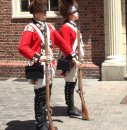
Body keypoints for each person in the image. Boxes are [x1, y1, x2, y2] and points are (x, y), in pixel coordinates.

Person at [18, 0, 81, 129]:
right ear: (36, 13)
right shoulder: (30, 28)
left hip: (50, 67)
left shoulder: (50, 27)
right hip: (38, 66)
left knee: (47, 94)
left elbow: (62, 43)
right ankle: (41, 124)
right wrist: (38, 57)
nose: (46, 13)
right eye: (43, 11)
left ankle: (45, 120)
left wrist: (72, 57)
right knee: (40, 94)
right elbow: (22, 47)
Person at [59, 0, 84, 117]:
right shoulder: (66, 27)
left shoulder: (73, 25)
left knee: (72, 83)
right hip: (70, 60)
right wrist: (73, 59)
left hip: (75, 59)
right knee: (70, 83)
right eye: (75, 11)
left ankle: (71, 106)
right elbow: (66, 46)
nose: (78, 13)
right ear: (69, 13)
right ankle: (70, 108)